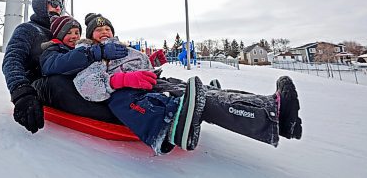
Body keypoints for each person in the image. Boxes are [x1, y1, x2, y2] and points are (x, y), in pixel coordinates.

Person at [39, 13, 302, 154]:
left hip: (150, 82)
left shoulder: (122, 48)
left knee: (205, 92)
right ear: (91, 37)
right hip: (131, 93)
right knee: (199, 100)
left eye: (107, 28)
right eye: (98, 30)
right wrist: (122, 78)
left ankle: (271, 108)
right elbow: (89, 85)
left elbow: (140, 67)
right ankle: (268, 116)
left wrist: (150, 60)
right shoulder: (91, 52)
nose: (104, 32)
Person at [40, 14, 205, 154]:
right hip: (96, 92)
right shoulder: (57, 50)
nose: (74, 36)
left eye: (76, 32)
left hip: (113, 85)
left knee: (162, 86)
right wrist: (99, 55)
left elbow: (124, 63)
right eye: (68, 33)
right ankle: (163, 130)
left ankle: (195, 102)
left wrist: (149, 62)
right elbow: (64, 67)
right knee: (122, 97)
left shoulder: (87, 49)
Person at [2, 0, 128, 134]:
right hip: (41, 85)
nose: (58, 7)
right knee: (57, 82)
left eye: (60, 4)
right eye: (53, 2)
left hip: (70, 77)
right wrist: (21, 93)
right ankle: (116, 118)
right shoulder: (28, 29)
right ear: (40, 5)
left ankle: (131, 106)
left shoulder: (65, 29)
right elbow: (12, 60)